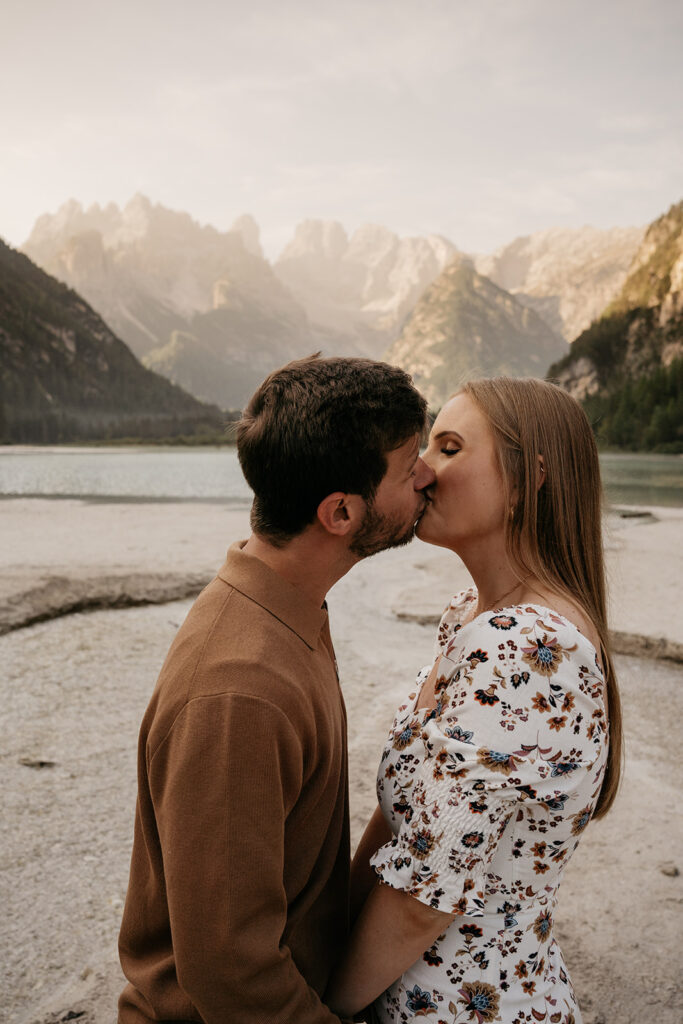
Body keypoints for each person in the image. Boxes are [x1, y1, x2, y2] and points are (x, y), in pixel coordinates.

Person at [117, 355, 434, 1024]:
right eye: (410, 470)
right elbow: (232, 972)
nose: (429, 476)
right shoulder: (240, 696)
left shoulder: (285, 608)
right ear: (342, 512)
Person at [327, 377, 622, 1024]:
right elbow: (401, 829)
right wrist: (325, 944)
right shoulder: (475, 620)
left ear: (527, 478)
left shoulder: (527, 650)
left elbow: (422, 899)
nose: (422, 471)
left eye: (450, 448)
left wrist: (319, 1009)